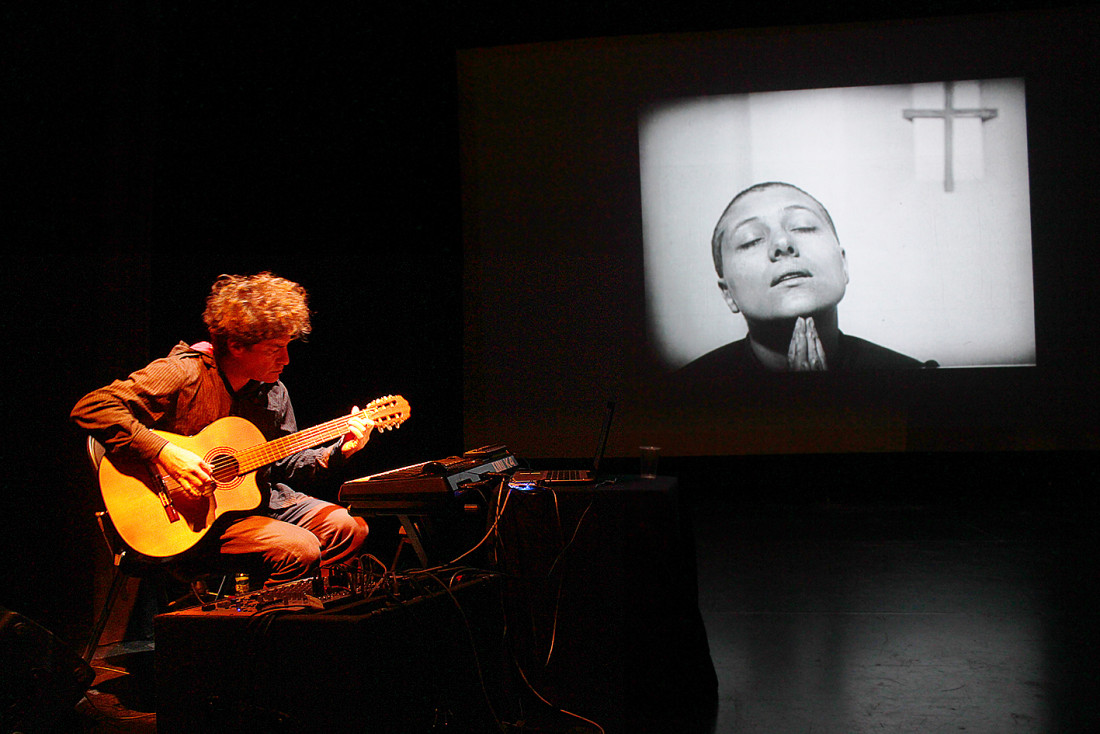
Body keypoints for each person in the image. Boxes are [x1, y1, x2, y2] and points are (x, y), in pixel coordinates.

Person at [72, 272, 373, 585]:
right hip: (190, 520)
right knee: (299, 548)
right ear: (237, 345)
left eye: (286, 347)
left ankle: (311, 615)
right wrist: (166, 453)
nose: (285, 359)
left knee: (349, 527)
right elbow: (92, 406)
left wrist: (340, 451)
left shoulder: (273, 392)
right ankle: (256, 625)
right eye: (274, 349)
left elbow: (283, 465)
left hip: (258, 504)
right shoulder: (184, 372)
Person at [677, 181, 937, 377]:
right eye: (751, 240)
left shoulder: (913, 381)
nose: (782, 243)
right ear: (727, 294)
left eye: (803, 226)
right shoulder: (686, 394)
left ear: (843, 265)